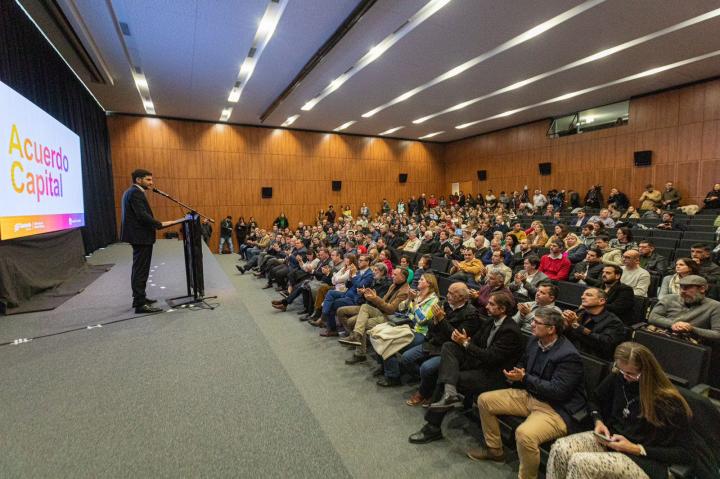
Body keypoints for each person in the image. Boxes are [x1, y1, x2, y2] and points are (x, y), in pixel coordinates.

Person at [468, 308, 587, 479]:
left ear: (551, 329)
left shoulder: (568, 355)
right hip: (530, 395)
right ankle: (494, 450)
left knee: (525, 434)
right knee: (485, 400)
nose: (531, 324)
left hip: (555, 409)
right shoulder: (534, 341)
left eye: (536, 322)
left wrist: (524, 378)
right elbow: (523, 362)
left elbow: (558, 391)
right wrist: (517, 373)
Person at [547, 342, 693, 479]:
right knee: (560, 448)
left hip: (645, 460)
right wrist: (598, 421)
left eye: (631, 374)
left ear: (646, 372)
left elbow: (685, 453)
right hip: (612, 441)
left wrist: (636, 448)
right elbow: (594, 401)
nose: (625, 377)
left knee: (581, 463)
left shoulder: (668, 401)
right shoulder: (619, 377)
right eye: (621, 370)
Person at [408, 293, 524, 444]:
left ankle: (433, 427)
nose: (486, 306)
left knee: (447, 376)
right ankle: (450, 393)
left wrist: (466, 344)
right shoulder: (491, 321)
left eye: (491, 304)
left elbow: (490, 357)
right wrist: (466, 341)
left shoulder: (511, 331)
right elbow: (475, 342)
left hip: (492, 375)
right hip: (478, 363)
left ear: (502, 309)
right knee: (449, 346)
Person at [404, 282, 480, 407]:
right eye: (448, 291)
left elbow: (456, 338)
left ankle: (424, 392)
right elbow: (429, 325)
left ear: (462, 297)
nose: (447, 295)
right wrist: (435, 320)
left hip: (449, 349)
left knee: (426, 368)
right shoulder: (443, 304)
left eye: (451, 293)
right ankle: (431, 385)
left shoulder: (471, 314)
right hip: (433, 343)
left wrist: (441, 320)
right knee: (407, 358)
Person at [120, 169, 182, 314]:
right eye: (148, 180)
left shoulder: (132, 192)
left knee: (140, 269)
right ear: (138, 180)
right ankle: (139, 303)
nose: (151, 182)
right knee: (140, 269)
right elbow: (142, 216)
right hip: (140, 237)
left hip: (139, 236)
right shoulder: (135, 193)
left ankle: (141, 297)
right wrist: (160, 224)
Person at [374, 274, 440, 387]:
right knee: (377, 334)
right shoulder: (417, 295)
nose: (418, 280)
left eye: (421, 279)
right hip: (406, 326)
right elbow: (401, 307)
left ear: (429, 283)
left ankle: (393, 376)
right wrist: (409, 298)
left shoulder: (434, 301)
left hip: (420, 332)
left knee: (388, 341)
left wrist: (414, 302)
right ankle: (386, 367)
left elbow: (422, 319)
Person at [561, 288, 626, 361]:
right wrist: (565, 325)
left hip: (591, 360)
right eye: (583, 295)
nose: (582, 297)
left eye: (588, 295)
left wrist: (576, 326)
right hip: (569, 352)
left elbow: (605, 344)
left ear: (601, 301)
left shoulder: (614, 322)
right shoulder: (580, 312)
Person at [648, 275, 720, 340]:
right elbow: (653, 317)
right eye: (681, 287)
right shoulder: (669, 298)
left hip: (690, 344)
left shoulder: (715, 306)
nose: (682, 291)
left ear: (702, 289)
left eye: (687, 288)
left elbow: (717, 334)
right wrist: (673, 324)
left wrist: (692, 329)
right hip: (661, 335)